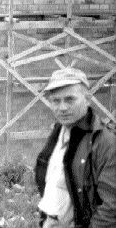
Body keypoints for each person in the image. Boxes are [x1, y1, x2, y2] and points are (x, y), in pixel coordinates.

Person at [34, 67, 116, 228]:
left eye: (70, 99)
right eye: (55, 101)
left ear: (87, 99)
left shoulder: (105, 142)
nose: (62, 107)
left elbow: (110, 208)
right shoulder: (58, 132)